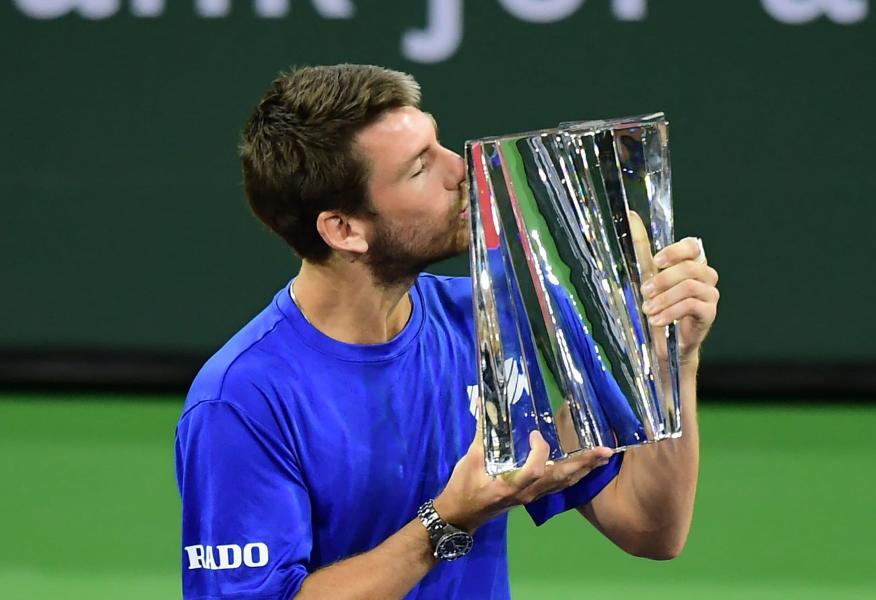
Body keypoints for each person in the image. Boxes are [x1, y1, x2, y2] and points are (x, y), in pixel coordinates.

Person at [175, 64, 720, 600]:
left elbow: (652, 529)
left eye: (436, 142)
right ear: (344, 230)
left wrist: (673, 359)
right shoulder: (241, 398)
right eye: (418, 168)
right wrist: (447, 520)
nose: (458, 168)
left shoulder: (487, 322)